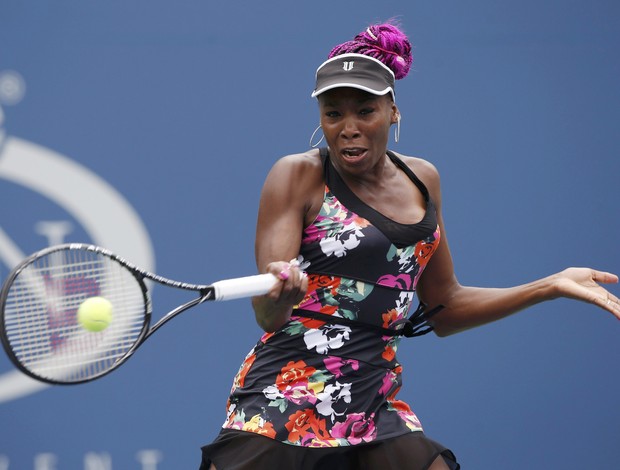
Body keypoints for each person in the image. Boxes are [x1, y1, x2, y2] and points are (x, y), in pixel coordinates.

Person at [200, 21, 619, 470]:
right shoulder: (297, 175)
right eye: (333, 113)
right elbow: (268, 314)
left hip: (374, 406)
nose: (348, 127)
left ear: (393, 111)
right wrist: (280, 292)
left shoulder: (424, 180)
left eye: (365, 110)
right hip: (282, 402)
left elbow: (445, 307)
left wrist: (552, 285)